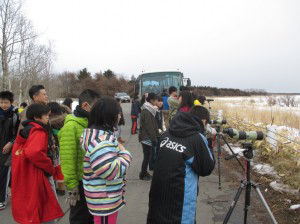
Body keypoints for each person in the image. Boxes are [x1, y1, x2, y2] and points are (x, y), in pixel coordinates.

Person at [147, 103, 215, 224]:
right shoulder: (196, 138)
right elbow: (206, 167)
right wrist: (209, 143)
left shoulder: (167, 134)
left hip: (158, 196)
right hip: (180, 202)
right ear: (203, 121)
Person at [81, 97, 132, 224]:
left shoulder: (97, 136)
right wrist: (125, 154)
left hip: (101, 197)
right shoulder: (102, 141)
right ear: (109, 116)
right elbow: (110, 171)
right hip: (104, 201)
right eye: (118, 113)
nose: (120, 116)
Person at [11, 104, 63, 223]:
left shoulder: (25, 129)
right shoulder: (39, 131)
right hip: (38, 173)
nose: (47, 118)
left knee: (30, 206)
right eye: (45, 115)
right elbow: (34, 152)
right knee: (45, 208)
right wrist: (49, 166)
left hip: (25, 172)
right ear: (36, 117)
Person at [58, 89, 100, 224]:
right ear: (85, 106)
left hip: (92, 182)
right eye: (96, 107)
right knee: (79, 218)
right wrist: (72, 188)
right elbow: (67, 160)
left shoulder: (91, 123)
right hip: (80, 184)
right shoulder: (71, 126)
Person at [0, 91, 20, 210]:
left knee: (3, 173)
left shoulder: (15, 115)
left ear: (11, 102)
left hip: (8, 148)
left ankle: (2, 199)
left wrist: (11, 143)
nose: (3, 105)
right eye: (1, 102)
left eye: (6, 102)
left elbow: (18, 133)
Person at [139, 93, 159, 181]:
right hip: (147, 137)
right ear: (151, 100)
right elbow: (149, 126)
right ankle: (143, 174)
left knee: (147, 156)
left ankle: (143, 173)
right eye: (156, 100)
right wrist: (154, 139)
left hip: (147, 136)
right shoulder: (147, 110)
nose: (157, 102)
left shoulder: (149, 109)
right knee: (147, 157)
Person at [48, 102, 67, 195]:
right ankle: (62, 188)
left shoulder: (50, 122)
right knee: (62, 167)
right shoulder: (66, 119)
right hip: (65, 146)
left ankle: (60, 188)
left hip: (55, 147)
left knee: (57, 168)